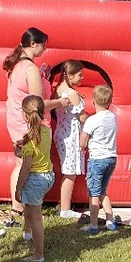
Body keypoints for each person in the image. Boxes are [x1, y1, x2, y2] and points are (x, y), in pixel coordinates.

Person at [3, 27, 69, 217]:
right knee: (26, 164)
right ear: (33, 44)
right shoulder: (30, 68)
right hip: (27, 123)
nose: (45, 49)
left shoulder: (18, 65)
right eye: (43, 45)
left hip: (16, 121)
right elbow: (38, 104)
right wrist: (60, 102)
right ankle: (22, 204)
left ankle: (18, 204)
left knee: (20, 162)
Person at [14, 95, 55, 262]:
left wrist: (17, 188)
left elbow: (26, 167)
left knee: (36, 218)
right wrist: (22, 148)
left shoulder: (29, 139)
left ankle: (39, 255)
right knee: (30, 210)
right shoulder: (46, 131)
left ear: (25, 115)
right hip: (48, 175)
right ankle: (28, 233)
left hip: (35, 179)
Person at [80, 85, 119, 234]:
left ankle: (94, 225)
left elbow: (83, 139)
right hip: (111, 159)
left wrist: (82, 145)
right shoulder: (112, 117)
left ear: (93, 102)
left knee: (94, 194)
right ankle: (110, 220)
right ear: (110, 102)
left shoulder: (92, 120)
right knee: (103, 191)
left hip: (97, 160)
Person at [54, 59, 87, 218]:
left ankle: (64, 205)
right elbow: (81, 117)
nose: (82, 78)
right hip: (71, 135)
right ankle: (65, 209)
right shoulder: (72, 93)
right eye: (80, 75)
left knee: (68, 171)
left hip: (62, 132)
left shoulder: (59, 89)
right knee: (70, 173)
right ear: (70, 75)